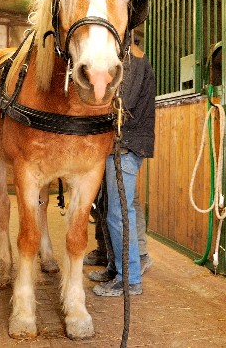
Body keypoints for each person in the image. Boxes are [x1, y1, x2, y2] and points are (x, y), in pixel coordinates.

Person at [89, 44, 155, 297]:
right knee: (109, 209)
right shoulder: (123, 55)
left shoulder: (134, 58)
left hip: (125, 145)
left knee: (119, 213)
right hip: (115, 145)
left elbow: (121, 104)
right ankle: (115, 268)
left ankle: (130, 279)